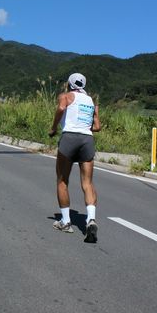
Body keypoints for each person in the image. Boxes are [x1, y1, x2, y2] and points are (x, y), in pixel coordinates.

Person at [48, 72, 101, 243]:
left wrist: (54, 127)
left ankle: (65, 222)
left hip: (69, 138)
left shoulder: (66, 96)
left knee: (62, 181)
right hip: (87, 140)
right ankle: (91, 219)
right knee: (87, 183)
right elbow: (97, 126)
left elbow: (62, 108)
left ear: (70, 84)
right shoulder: (91, 101)